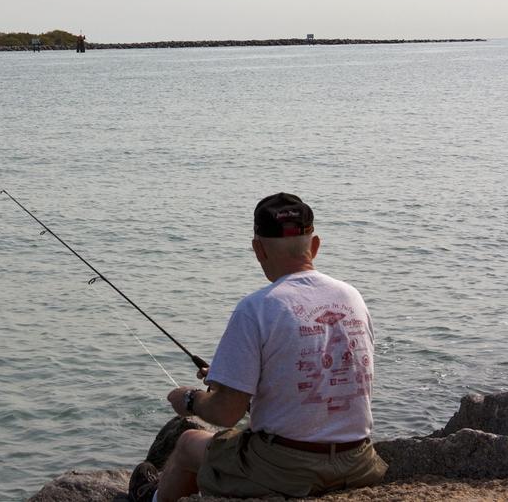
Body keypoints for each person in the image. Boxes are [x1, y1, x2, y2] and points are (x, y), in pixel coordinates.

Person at [128, 193, 386, 502]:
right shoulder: (352, 297)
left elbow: (225, 414)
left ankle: (151, 498)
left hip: (288, 470)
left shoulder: (258, 307)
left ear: (258, 249)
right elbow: (330, 379)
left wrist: (189, 399)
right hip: (359, 461)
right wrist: (244, 378)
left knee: (186, 444)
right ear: (315, 245)